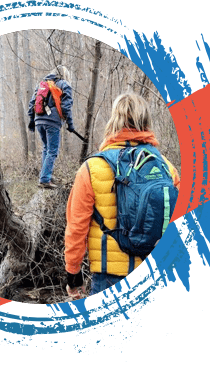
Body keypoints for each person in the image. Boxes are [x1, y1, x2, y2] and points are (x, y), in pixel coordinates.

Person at [63, 93, 181, 298]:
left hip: (109, 277)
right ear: (146, 122)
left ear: (113, 121)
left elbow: (76, 228)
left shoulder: (92, 168)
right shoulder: (166, 168)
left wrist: (73, 275)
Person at [27, 66, 75, 189]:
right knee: (52, 150)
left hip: (38, 120)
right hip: (52, 121)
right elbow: (66, 106)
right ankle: (44, 179)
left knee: (46, 148)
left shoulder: (41, 85)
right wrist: (70, 124)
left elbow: (32, 104)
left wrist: (32, 121)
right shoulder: (64, 84)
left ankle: (46, 174)